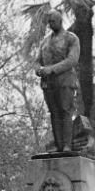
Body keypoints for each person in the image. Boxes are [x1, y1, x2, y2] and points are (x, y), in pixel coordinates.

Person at [36, 10, 80, 152]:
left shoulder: (71, 38)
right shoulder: (44, 41)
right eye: (49, 22)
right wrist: (39, 69)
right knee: (54, 113)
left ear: (60, 21)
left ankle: (67, 145)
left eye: (53, 21)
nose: (50, 24)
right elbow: (37, 61)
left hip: (65, 81)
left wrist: (52, 69)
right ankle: (58, 144)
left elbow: (72, 60)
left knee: (65, 111)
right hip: (48, 83)